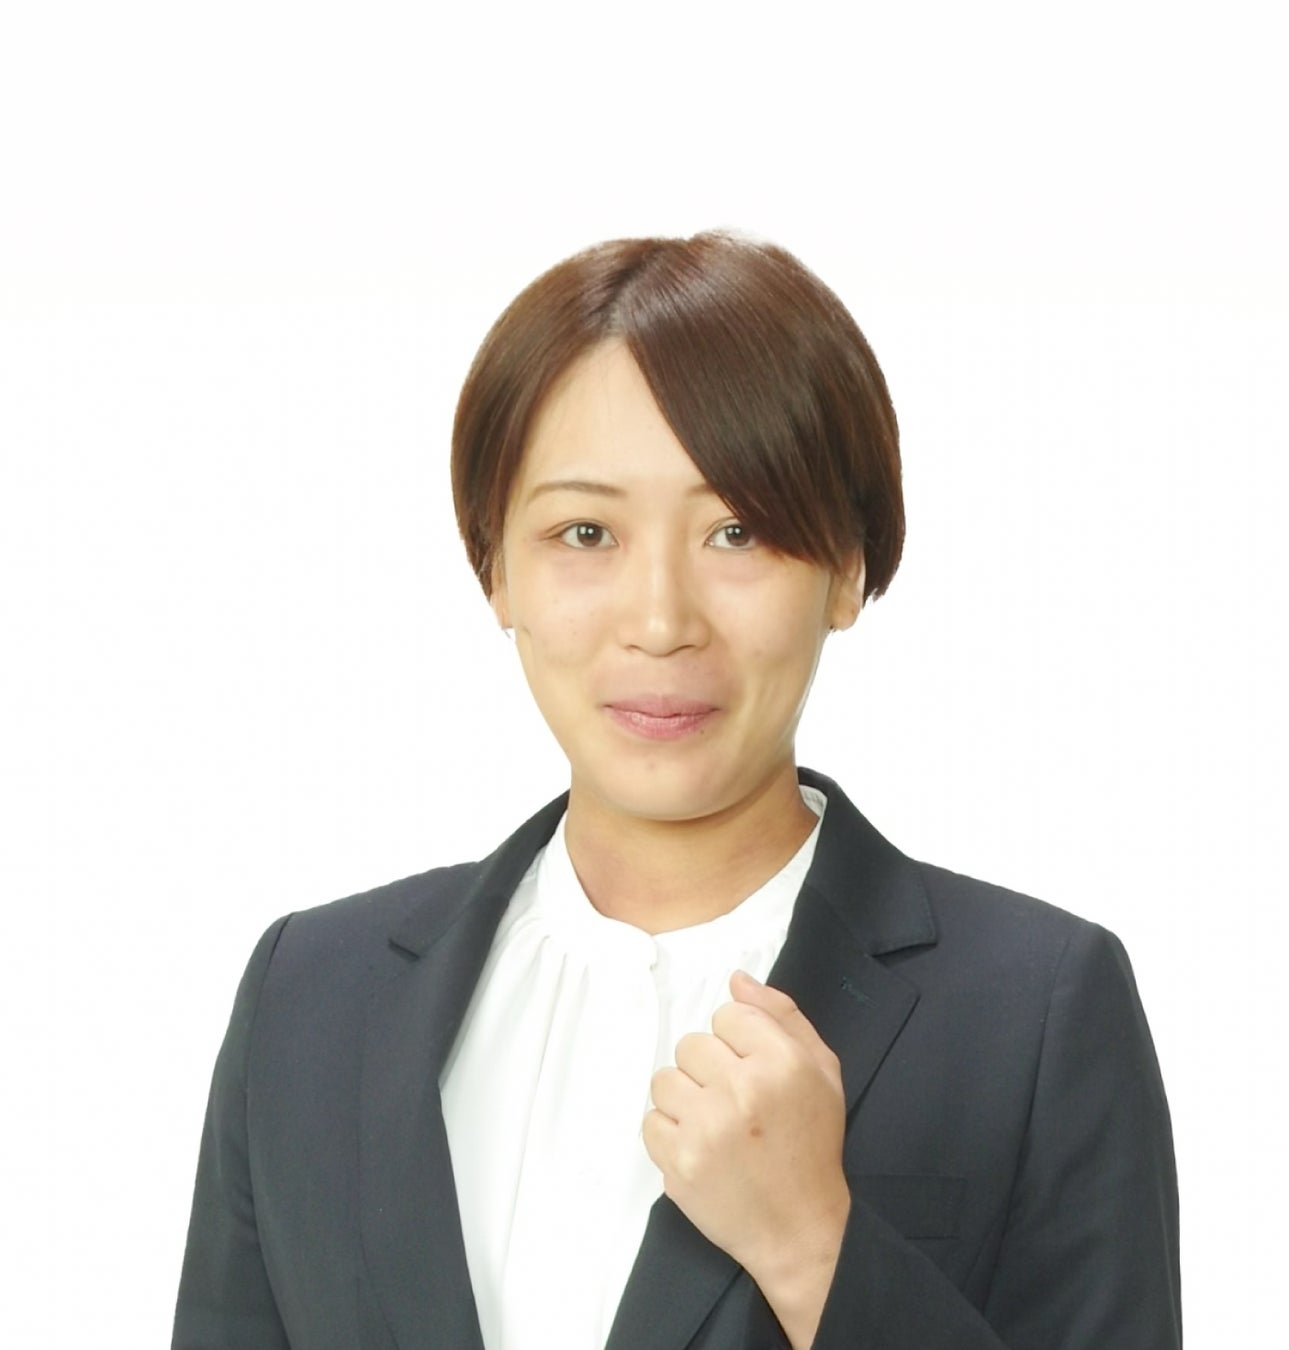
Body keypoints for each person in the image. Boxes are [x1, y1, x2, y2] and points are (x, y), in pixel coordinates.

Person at [172, 232, 1181, 1349]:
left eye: (736, 532)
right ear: (494, 566)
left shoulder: (1034, 1011)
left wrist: (814, 1246)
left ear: (845, 569)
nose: (659, 622)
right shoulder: (311, 997)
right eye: (584, 533)